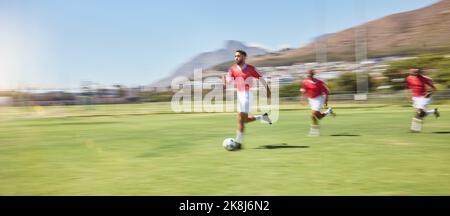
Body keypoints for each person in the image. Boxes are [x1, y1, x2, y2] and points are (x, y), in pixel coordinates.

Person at [223, 50, 272, 149]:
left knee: (241, 120)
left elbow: (261, 78)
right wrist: (225, 83)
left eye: (238, 56)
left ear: (244, 57)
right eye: (235, 56)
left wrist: (267, 89)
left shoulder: (251, 68)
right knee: (243, 120)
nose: (236, 58)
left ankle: (238, 143)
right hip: (239, 95)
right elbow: (228, 80)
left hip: (247, 94)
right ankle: (262, 117)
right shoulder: (232, 69)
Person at [300, 69, 336, 136]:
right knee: (316, 117)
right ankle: (328, 112)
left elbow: (327, 92)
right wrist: (302, 100)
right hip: (311, 100)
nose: (308, 76)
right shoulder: (304, 82)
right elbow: (303, 91)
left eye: (310, 74)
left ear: (313, 75)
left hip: (319, 99)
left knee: (313, 114)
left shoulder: (319, 82)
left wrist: (325, 102)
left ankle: (314, 131)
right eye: (308, 74)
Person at [406, 67, 440, 132]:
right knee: (420, 113)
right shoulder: (408, 78)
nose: (415, 73)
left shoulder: (423, 78)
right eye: (413, 71)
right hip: (415, 98)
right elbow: (408, 87)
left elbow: (434, 89)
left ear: (419, 72)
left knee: (420, 112)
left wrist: (429, 93)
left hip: (424, 97)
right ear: (410, 72)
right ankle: (433, 111)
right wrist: (408, 96)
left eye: (417, 71)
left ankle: (415, 129)